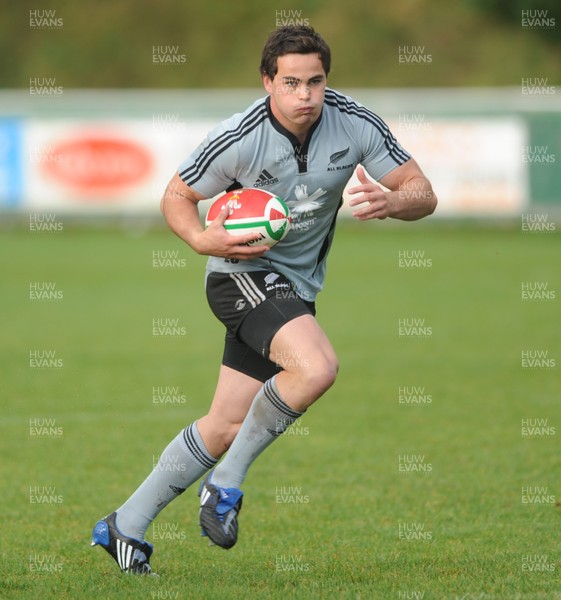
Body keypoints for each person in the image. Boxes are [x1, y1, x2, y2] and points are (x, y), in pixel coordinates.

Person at [91, 25, 437, 575]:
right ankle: (224, 485)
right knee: (317, 366)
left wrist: (395, 202)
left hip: (293, 290)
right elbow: (178, 195)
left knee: (225, 424)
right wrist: (202, 238)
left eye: (315, 82)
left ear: (327, 80)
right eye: (292, 82)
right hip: (239, 274)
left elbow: (424, 192)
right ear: (268, 81)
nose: (305, 95)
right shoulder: (239, 135)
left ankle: (123, 526)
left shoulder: (355, 123)